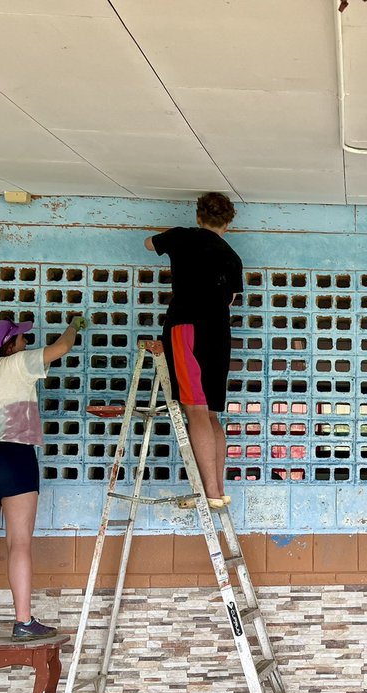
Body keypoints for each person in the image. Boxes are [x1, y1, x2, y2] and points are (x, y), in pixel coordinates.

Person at [0, 315, 84, 642]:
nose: (26, 342)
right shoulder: (17, 363)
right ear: (10, 345)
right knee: (18, 543)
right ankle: (23, 622)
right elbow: (62, 347)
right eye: (21, 338)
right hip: (13, 455)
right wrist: (76, 325)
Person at [145, 192, 243, 507]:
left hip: (186, 327)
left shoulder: (182, 237)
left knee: (195, 410)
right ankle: (217, 490)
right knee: (211, 413)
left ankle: (209, 493)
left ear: (198, 217)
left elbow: (149, 244)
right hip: (219, 333)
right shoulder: (232, 256)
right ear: (227, 223)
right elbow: (229, 300)